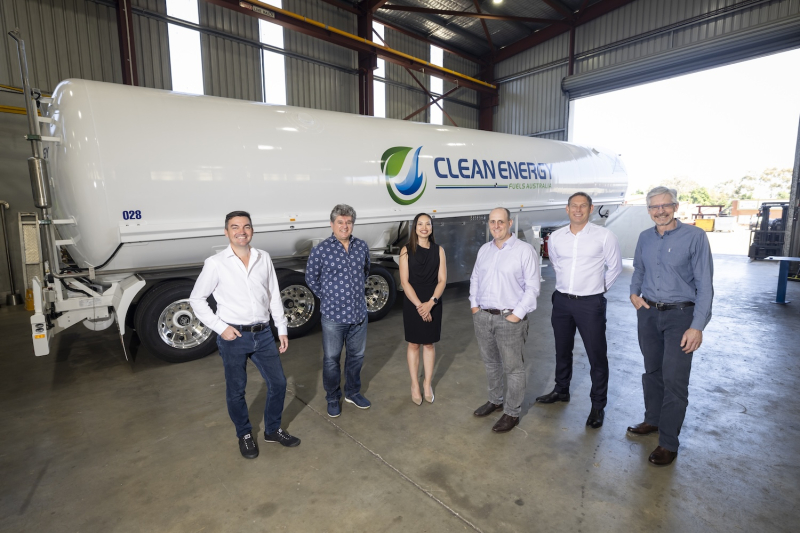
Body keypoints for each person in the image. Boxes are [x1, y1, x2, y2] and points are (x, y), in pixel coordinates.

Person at [189, 211, 300, 460]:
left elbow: (273, 294)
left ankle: (272, 429)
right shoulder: (216, 263)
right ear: (226, 232)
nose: (242, 231)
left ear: (252, 230)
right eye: (235, 227)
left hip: (262, 334)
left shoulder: (264, 257)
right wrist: (221, 327)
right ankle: (245, 433)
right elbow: (196, 299)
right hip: (234, 336)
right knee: (237, 389)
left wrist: (281, 328)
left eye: (246, 226)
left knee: (279, 383)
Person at [628, 186, 713, 466]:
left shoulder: (695, 237)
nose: (660, 211)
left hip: (681, 316)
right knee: (652, 371)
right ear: (649, 210)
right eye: (654, 207)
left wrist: (697, 326)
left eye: (665, 205)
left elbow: (705, 285)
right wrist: (634, 293)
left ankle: (668, 443)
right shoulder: (644, 238)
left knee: (674, 380)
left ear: (675, 207)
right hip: (649, 313)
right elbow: (639, 269)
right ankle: (652, 420)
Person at [536, 192, 622, 429]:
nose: (578, 209)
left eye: (583, 206)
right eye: (574, 206)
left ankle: (597, 405)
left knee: (596, 355)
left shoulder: (604, 236)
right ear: (567, 209)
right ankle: (561, 390)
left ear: (590, 209)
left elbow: (615, 267)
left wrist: (599, 289)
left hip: (590, 304)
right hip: (562, 301)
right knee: (562, 350)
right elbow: (555, 262)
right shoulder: (555, 238)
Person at [470, 207, 541, 433]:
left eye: (501, 221)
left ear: (510, 223)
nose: (496, 226)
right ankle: (495, 400)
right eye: (492, 222)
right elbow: (475, 278)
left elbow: (533, 287)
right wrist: (474, 305)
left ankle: (512, 413)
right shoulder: (484, 249)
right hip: (483, 317)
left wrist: (516, 315)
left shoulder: (524, 250)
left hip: (509, 318)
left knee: (513, 368)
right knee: (490, 363)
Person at [306, 204, 372, 418]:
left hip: (359, 315)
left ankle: (352, 392)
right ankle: (333, 397)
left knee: (356, 357)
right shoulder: (321, 249)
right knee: (331, 359)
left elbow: (366, 271)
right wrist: (328, 297)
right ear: (332, 224)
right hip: (333, 317)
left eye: (349, 222)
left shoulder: (361, 246)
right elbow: (310, 278)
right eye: (340, 222)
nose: (345, 226)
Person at [399, 213, 447, 405]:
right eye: (420, 224)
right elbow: (404, 281)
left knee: (429, 344)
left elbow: (442, 280)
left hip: (433, 302)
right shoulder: (405, 250)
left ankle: (427, 383)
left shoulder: (439, 250)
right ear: (415, 228)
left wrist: (431, 303)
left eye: (428, 224)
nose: (424, 227)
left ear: (432, 228)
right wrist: (420, 306)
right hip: (413, 303)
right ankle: (414, 384)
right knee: (413, 344)